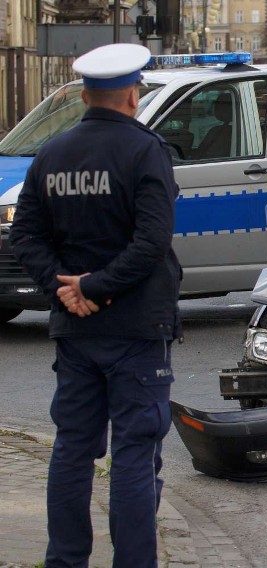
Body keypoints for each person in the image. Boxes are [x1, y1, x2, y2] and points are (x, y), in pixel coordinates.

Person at [10, 43, 182, 567]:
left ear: (85, 94)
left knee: (72, 451)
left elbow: (25, 235)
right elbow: (152, 240)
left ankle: (64, 561)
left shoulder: (51, 153)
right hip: (134, 326)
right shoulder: (145, 151)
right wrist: (97, 287)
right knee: (133, 454)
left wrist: (63, 288)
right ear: (133, 95)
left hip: (75, 331)